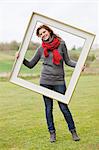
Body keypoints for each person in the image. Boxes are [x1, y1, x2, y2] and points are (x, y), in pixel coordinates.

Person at [16, 24, 83, 143]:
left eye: (44, 32)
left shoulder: (61, 44)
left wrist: (79, 65)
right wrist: (21, 59)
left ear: (49, 31)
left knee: (64, 107)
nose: (43, 35)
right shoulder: (41, 49)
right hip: (45, 82)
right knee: (48, 108)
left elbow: (67, 61)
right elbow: (31, 65)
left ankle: (73, 132)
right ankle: (52, 133)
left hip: (59, 82)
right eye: (40, 34)